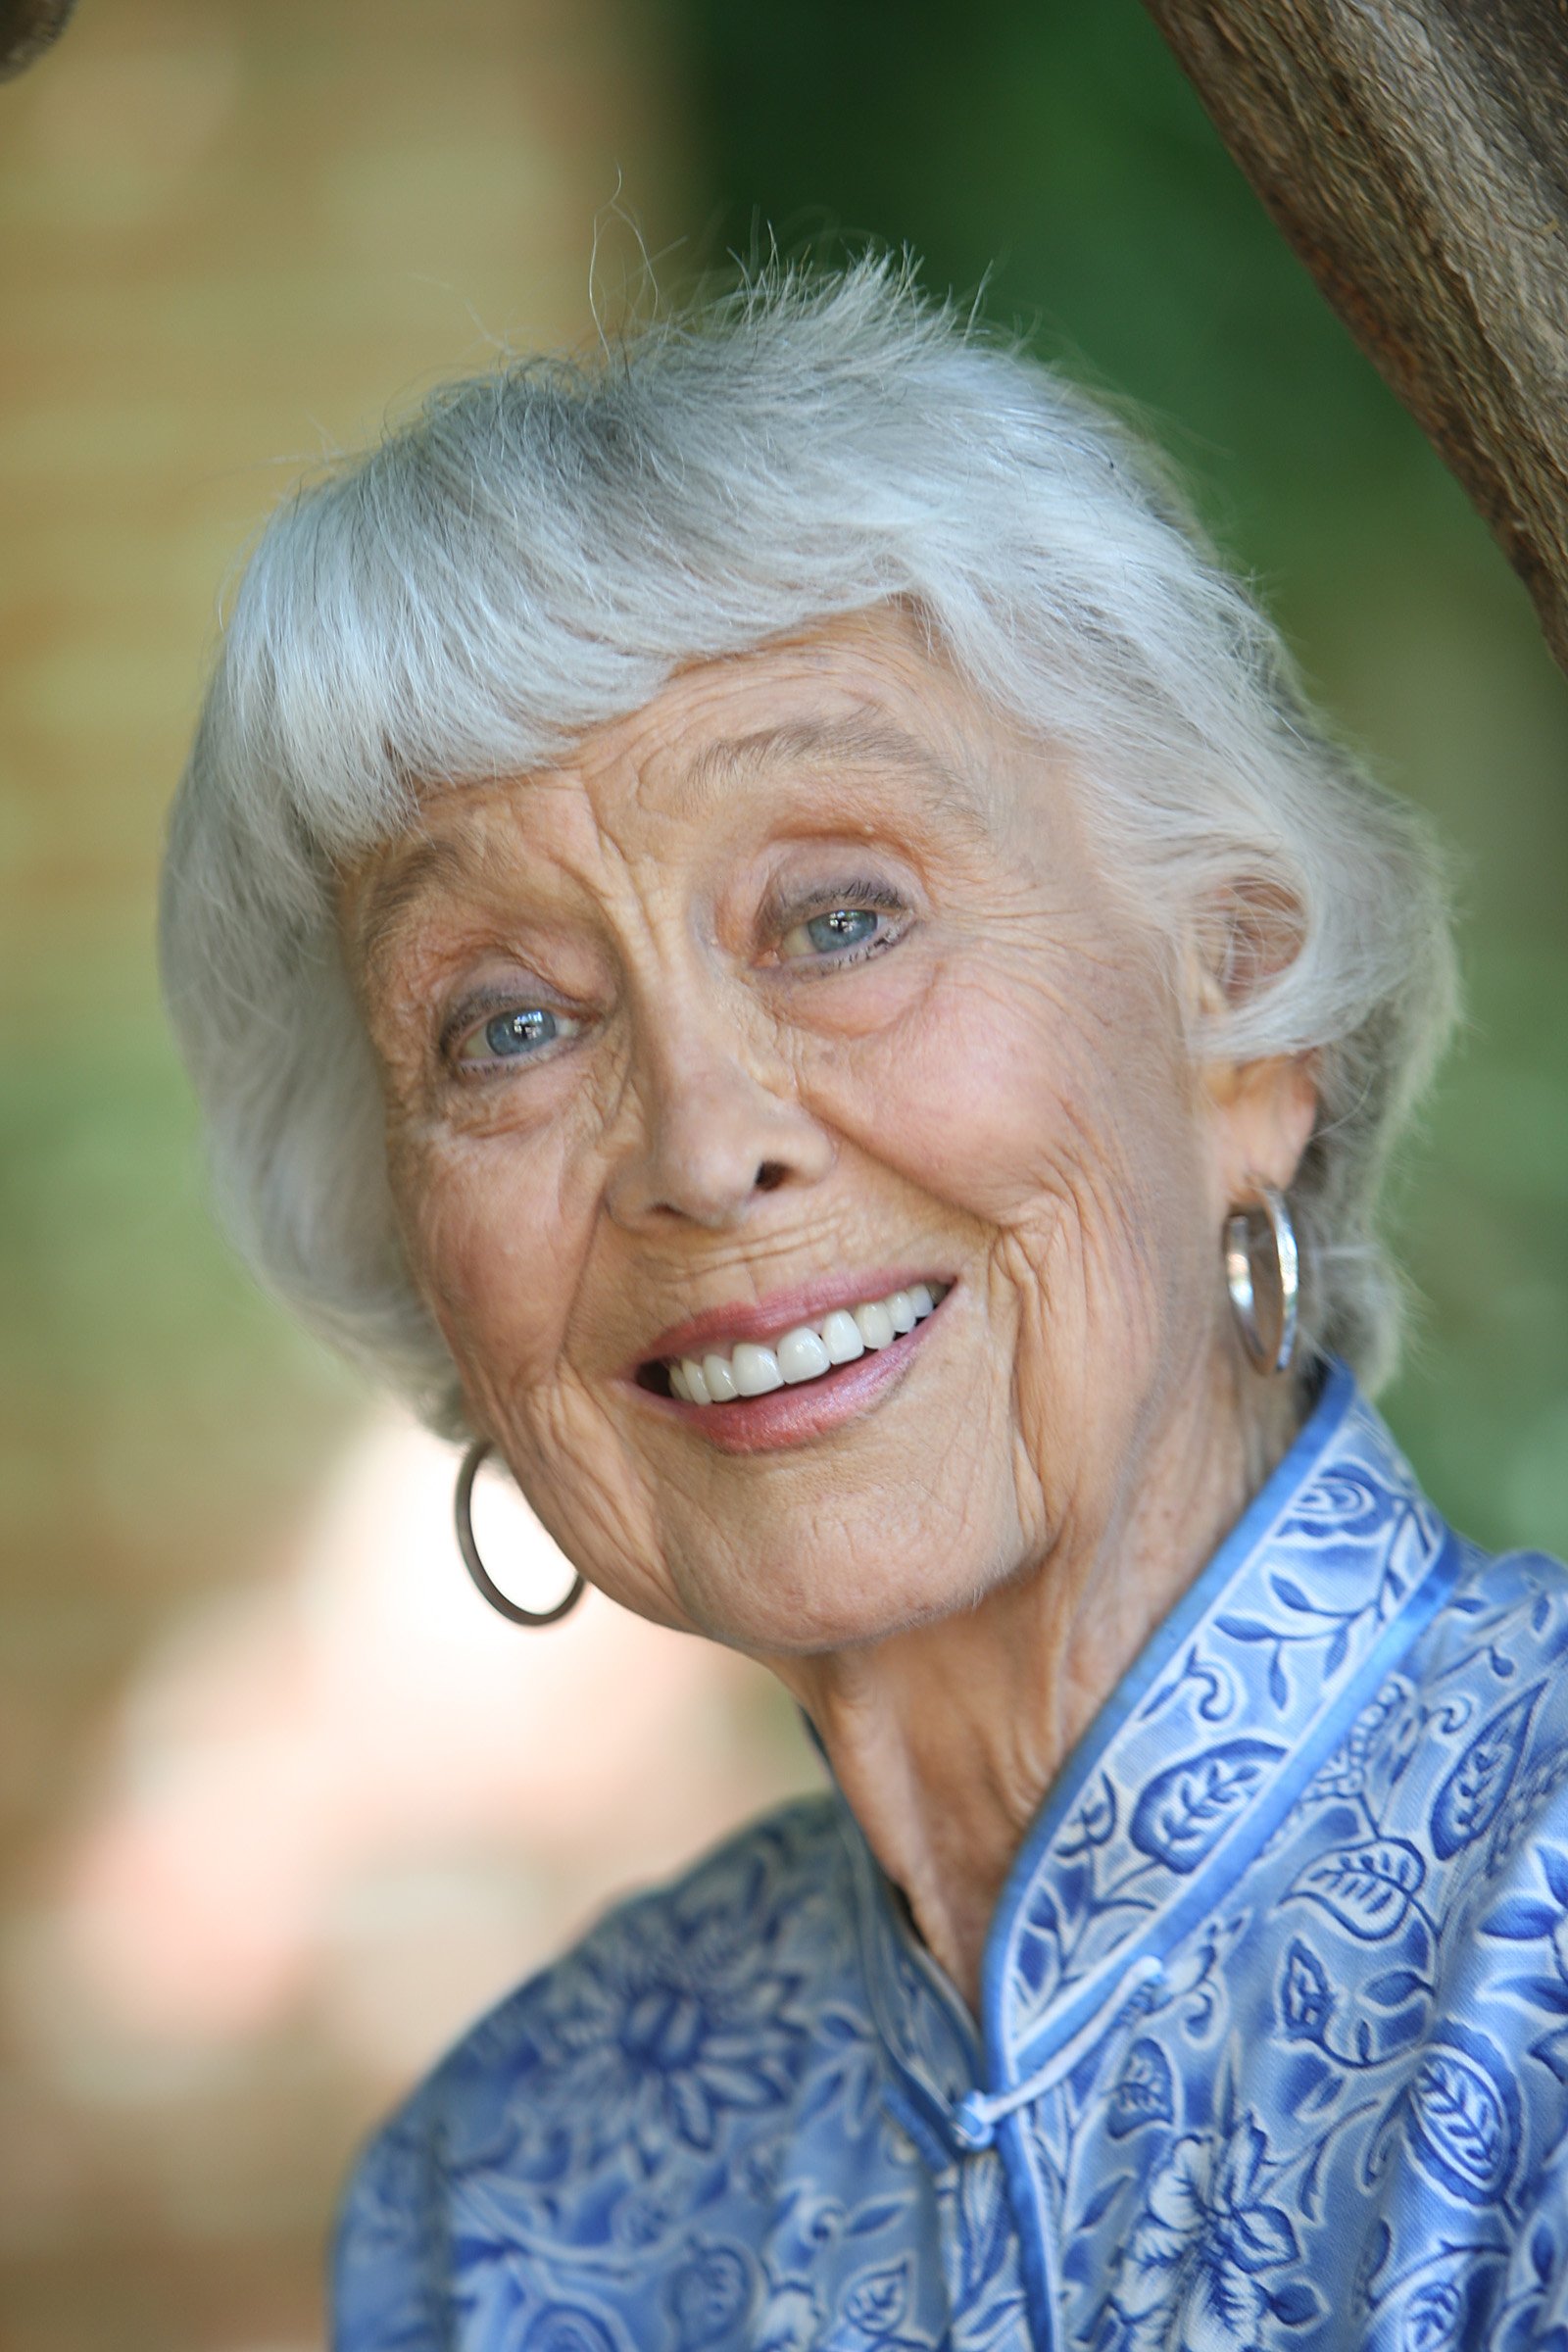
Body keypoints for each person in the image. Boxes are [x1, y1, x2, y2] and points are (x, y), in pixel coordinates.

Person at [160, 262, 1568, 2352]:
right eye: (510, 1022)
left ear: (1241, 1029)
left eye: (837, 918)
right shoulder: (511, 2192)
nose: (699, 1147)